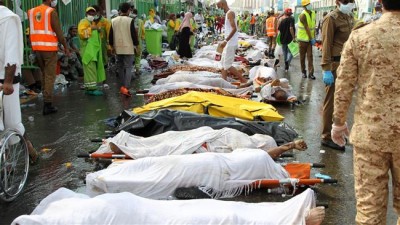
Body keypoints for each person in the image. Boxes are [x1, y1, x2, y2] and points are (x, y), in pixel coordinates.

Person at [331, 1, 400, 224]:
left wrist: (338, 122)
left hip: (370, 136)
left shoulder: (361, 36)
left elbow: (344, 84)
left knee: (369, 211)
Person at [0, 3, 39, 163]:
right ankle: (6, 164)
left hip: (6, 78)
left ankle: (30, 150)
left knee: (12, 122)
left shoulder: (7, 18)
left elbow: (11, 51)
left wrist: (8, 81)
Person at [320, 0, 354, 151]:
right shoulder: (331, 18)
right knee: (331, 101)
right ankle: (326, 136)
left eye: (351, 1)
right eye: (346, 1)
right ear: (337, 2)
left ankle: (337, 132)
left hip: (347, 64)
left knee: (342, 100)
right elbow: (326, 44)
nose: (350, 3)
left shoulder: (348, 16)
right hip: (334, 64)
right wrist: (326, 68)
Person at [28, 0, 70, 115]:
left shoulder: (31, 11)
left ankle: (46, 100)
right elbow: (59, 32)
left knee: (44, 74)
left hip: (37, 48)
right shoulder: (51, 12)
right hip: (49, 48)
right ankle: (48, 104)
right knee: (50, 76)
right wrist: (65, 47)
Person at [109, 3, 139, 97]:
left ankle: (122, 86)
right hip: (128, 47)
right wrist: (137, 45)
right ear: (128, 10)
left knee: (120, 67)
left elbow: (111, 35)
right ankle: (126, 87)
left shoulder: (113, 20)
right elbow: (133, 34)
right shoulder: (130, 20)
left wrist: (111, 46)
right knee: (128, 67)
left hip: (118, 47)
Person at [216, 0, 247, 83]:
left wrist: (225, 40)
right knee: (223, 64)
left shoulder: (230, 13)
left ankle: (243, 80)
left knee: (227, 65)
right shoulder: (228, 14)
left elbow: (234, 29)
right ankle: (224, 82)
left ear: (223, 4)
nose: (220, 9)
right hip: (228, 42)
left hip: (230, 43)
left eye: (219, 6)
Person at [78, 7, 106, 96]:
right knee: (90, 70)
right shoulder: (83, 22)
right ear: (86, 14)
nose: (92, 15)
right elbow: (82, 34)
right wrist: (92, 29)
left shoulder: (92, 23)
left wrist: (97, 29)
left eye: (93, 14)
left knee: (91, 70)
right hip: (87, 51)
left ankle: (89, 87)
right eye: (90, 14)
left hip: (92, 51)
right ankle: (92, 89)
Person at [91, 5, 111, 90]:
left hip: (103, 46)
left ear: (99, 12)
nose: (94, 14)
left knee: (103, 64)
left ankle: (104, 81)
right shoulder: (90, 22)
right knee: (93, 64)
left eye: (95, 12)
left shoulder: (105, 22)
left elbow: (109, 35)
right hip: (93, 46)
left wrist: (109, 47)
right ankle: (94, 81)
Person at [296, 0, 317, 79]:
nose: (309, 5)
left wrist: (313, 37)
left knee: (310, 56)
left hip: (309, 40)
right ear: (304, 7)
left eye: (309, 4)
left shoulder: (313, 13)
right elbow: (307, 28)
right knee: (302, 57)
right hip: (302, 40)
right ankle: (303, 72)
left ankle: (311, 73)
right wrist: (312, 38)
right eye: (307, 5)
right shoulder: (302, 15)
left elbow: (313, 27)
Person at [131, 8, 145, 76]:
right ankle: (137, 69)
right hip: (138, 41)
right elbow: (143, 31)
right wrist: (142, 37)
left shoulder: (128, 20)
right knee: (138, 55)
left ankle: (129, 71)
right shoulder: (140, 21)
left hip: (129, 41)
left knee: (130, 56)